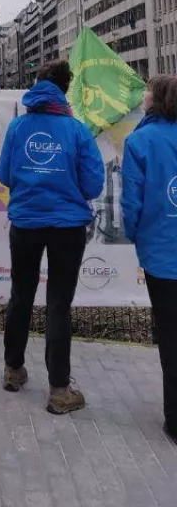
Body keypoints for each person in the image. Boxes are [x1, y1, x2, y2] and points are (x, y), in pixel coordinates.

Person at [0, 59, 104, 414]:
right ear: (64, 88)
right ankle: (59, 390)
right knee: (58, 304)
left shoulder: (18, 127)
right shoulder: (76, 130)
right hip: (67, 227)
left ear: (38, 85)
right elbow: (92, 184)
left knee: (20, 295)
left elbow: (5, 175)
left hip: (25, 223)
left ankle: (13, 371)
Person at [122, 76, 177, 441]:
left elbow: (132, 202)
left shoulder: (140, 140)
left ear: (155, 99)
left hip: (162, 254)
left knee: (171, 336)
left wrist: (135, 235)